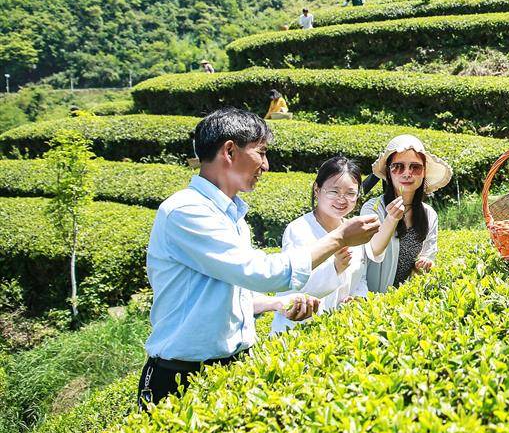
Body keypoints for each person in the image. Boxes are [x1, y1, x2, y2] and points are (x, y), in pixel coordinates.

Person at [139, 109, 381, 410]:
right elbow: (262, 272)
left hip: (229, 368)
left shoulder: (232, 215)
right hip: (182, 375)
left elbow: (229, 290)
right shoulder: (187, 211)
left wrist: (276, 304)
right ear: (229, 150)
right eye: (261, 152)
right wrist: (340, 238)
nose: (265, 165)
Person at [271, 156, 368, 335]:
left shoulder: (353, 229)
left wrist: (357, 298)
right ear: (317, 189)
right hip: (298, 331)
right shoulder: (299, 229)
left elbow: (360, 277)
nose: (342, 199)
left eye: (350, 193)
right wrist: (335, 269)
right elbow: (293, 285)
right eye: (334, 191)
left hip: (338, 331)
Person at [360, 135, 452, 291]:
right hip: (370, 300)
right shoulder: (374, 208)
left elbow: (427, 255)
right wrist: (391, 219)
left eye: (415, 167)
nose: (407, 173)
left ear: (424, 173)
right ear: (389, 173)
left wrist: (424, 262)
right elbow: (373, 250)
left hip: (404, 301)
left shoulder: (429, 214)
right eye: (398, 167)